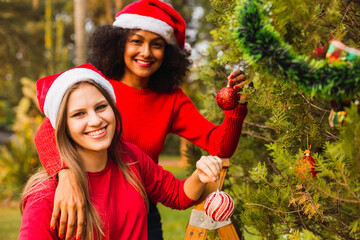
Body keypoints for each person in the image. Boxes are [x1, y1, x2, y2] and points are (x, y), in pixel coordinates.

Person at [34, 0, 249, 239]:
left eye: (157, 45)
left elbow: (220, 145)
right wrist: (65, 175)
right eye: (136, 41)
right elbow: (46, 133)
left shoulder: (171, 99)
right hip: (87, 205)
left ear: (167, 54)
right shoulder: (94, 87)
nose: (146, 52)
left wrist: (235, 109)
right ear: (118, 44)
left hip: (140, 211)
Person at [19, 64, 224, 240]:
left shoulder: (130, 157)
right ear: (63, 126)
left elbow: (177, 195)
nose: (95, 120)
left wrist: (200, 175)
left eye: (101, 107)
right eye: (79, 114)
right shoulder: (46, 195)